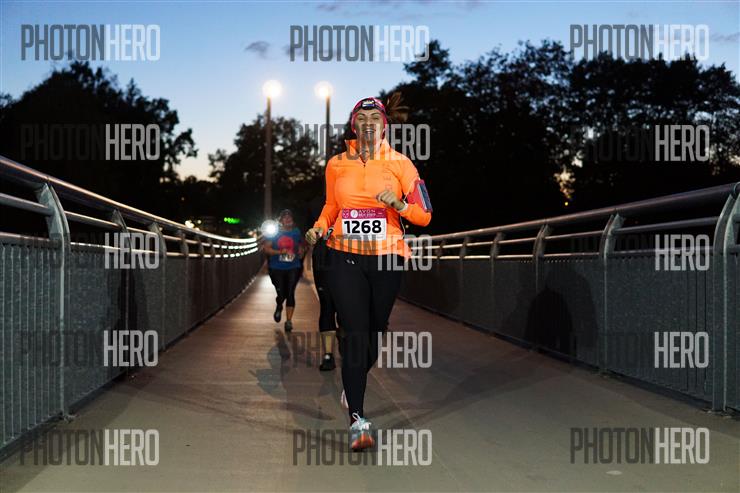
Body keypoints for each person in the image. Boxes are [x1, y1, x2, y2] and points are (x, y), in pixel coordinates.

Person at [305, 93, 432, 451]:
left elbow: (424, 215)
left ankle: (353, 381)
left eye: (375, 118)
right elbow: (331, 206)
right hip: (344, 255)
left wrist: (399, 204)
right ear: (353, 126)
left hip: (387, 257)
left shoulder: (401, 164)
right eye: (361, 119)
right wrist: (319, 227)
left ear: (384, 126)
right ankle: (358, 420)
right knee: (356, 333)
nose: (368, 124)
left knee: (374, 332)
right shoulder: (336, 164)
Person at [309, 193, 339, 372]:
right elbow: (309, 233)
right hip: (324, 262)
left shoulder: (358, 195)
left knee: (347, 309)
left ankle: (344, 339)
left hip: (352, 262)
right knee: (327, 307)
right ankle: (328, 355)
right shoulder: (316, 203)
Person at [263, 209, 304, 332]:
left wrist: (301, 250)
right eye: (285, 218)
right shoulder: (275, 233)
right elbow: (266, 249)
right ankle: (279, 305)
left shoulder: (296, 232)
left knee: (290, 292)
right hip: (276, 267)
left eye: (289, 217)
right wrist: (280, 252)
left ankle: (289, 321)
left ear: (293, 220)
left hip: (293, 266)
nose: (287, 219)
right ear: (280, 221)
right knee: (281, 293)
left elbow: (300, 246)